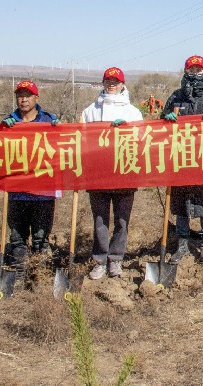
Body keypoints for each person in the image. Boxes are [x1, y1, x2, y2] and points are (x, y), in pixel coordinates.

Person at [162, 55, 203, 263]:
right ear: (185, 72)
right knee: (181, 202)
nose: (195, 73)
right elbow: (161, 125)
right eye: (191, 70)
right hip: (181, 158)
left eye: (199, 69)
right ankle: (182, 244)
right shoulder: (176, 97)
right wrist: (166, 118)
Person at [81, 67, 144, 279]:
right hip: (98, 174)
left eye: (116, 81)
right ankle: (99, 259)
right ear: (103, 82)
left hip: (124, 173)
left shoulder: (133, 112)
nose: (112, 84)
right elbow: (82, 140)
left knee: (122, 220)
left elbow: (142, 140)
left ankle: (116, 259)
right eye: (108, 80)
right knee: (100, 220)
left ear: (123, 84)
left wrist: (127, 129)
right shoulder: (90, 111)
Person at [0, 80, 62, 267]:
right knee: (17, 238)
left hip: (43, 193)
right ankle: (18, 275)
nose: (24, 100)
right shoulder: (9, 122)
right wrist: (1, 130)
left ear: (36, 97)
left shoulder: (48, 121)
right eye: (20, 96)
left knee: (40, 240)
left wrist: (61, 129)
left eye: (28, 95)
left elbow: (63, 148)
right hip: (17, 191)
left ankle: (37, 277)